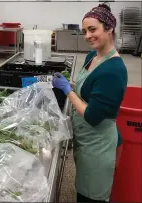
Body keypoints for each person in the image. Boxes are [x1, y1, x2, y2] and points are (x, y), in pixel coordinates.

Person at [52, 3, 128, 203]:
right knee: (82, 187)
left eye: (93, 29)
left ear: (109, 28)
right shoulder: (93, 56)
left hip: (98, 143)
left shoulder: (114, 70)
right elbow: (90, 89)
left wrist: (68, 91)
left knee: (91, 195)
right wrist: (72, 84)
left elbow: (93, 116)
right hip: (85, 139)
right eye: (85, 31)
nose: (87, 36)